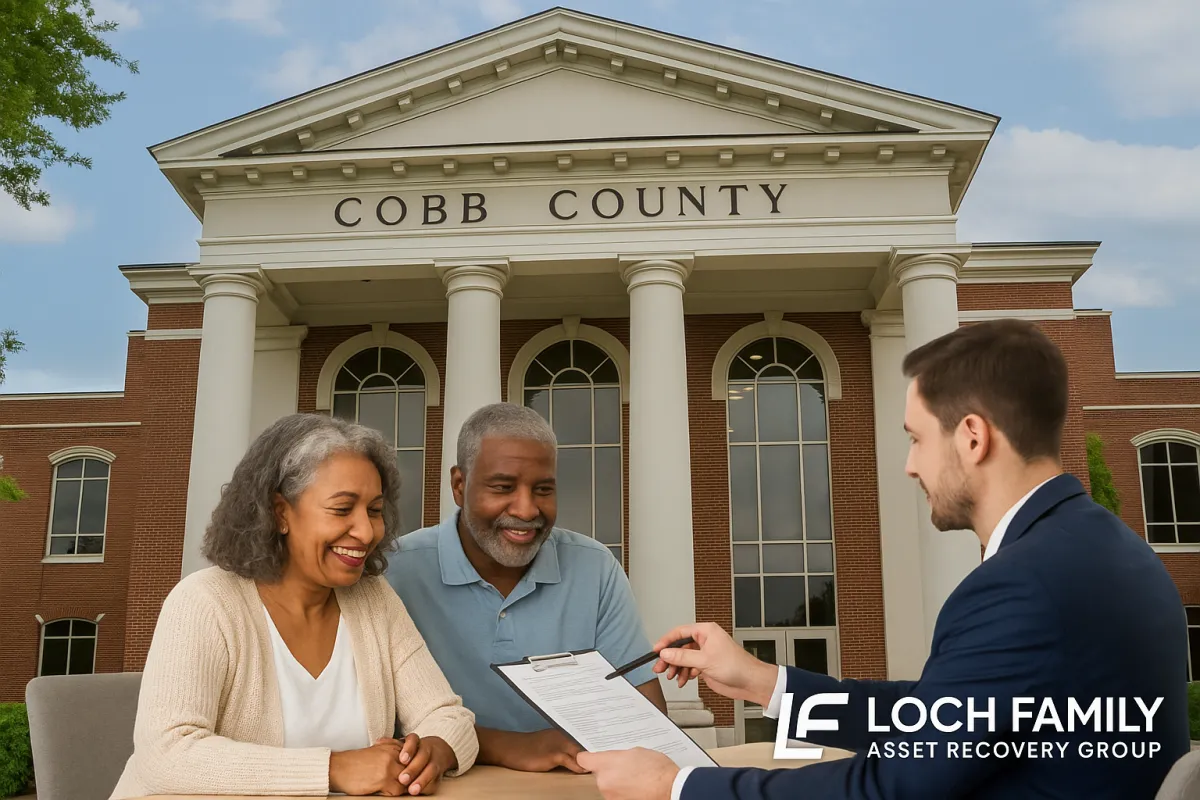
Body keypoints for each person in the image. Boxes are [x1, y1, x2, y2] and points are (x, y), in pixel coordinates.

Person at [577, 319, 1190, 800]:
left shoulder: (1021, 584)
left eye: (917, 438)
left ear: (972, 438)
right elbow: (940, 720)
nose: (910, 465)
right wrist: (763, 681)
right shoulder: (1113, 551)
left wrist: (675, 786)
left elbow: (894, 787)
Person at [110, 414, 478, 799]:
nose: (367, 532)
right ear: (280, 512)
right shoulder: (204, 602)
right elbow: (165, 754)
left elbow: (449, 716)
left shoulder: (375, 600)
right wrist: (334, 768)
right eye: (342, 509)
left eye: (373, 510)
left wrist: (435, 751)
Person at [387, 402, 667, 774]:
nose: (526, 509)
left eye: (543, 489)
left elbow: (645, 722)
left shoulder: (594, 567)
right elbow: (376, 727)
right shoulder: (393, 572)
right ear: (459, 485)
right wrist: (507, 746)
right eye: (503, 487)